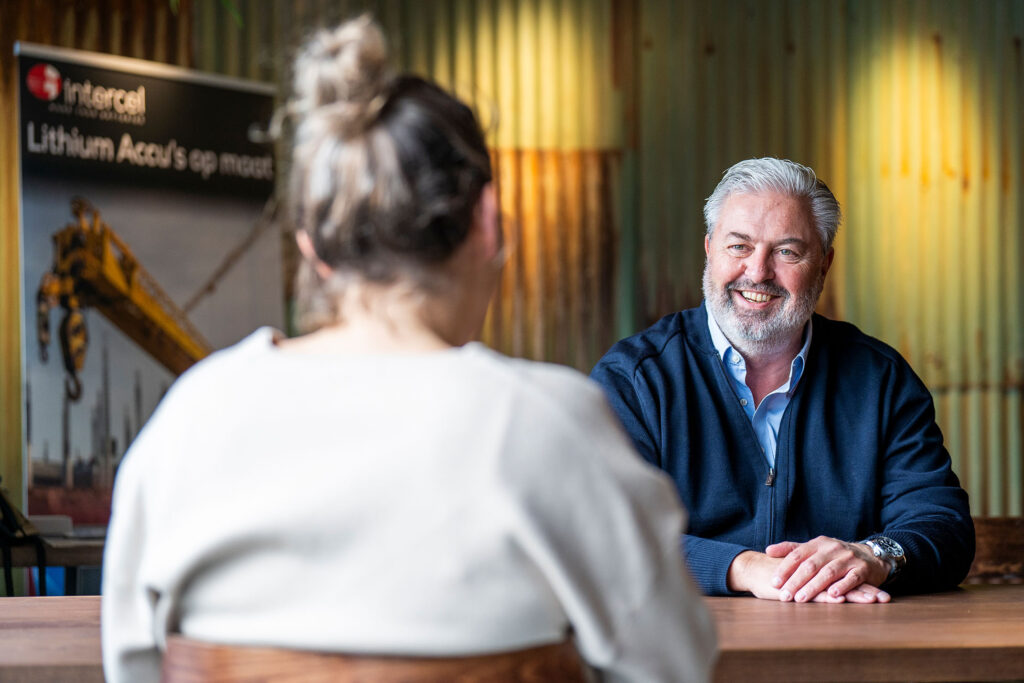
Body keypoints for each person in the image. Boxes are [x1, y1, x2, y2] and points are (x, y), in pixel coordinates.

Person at [101, 16, 715, 683]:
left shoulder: (193, 416)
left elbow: (131, 664)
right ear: (489, 221)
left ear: (311, 245)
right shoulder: (550, 422)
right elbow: (675, 663)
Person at [591, 157, 974, 603]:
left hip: (846, 648)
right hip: (686, 650)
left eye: (787, 251)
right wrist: (745, 568)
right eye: (739, 246)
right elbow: (600, 531)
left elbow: (943, 524)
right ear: (709, 248)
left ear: (824, 265)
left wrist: (874, 556)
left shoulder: (880, 380)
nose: (758, 272)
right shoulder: (635, 379)